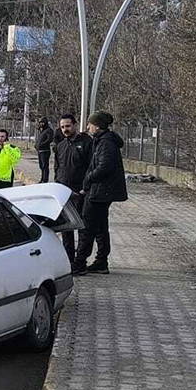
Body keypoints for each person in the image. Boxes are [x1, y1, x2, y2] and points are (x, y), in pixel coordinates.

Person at [73, 111, 126, 275]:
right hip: (103, 191)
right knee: (101, 226)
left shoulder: (105, 143)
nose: (88, 127)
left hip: (100, 191)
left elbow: (104, 167)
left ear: (97, 125)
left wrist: (88, 178)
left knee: (87, 226)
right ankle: (101, 261)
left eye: (90, 124)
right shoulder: (103, 141)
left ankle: (79, 262)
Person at [53, 113, 93, 262]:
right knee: (66, 228)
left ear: (75, 125)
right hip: (64, 193)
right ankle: (68, 259)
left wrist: (85, 189)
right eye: (62, 127)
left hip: (81, 193)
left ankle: (81, 260)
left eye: (68, 126)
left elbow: (91, 167)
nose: (65, 129)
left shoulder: (86, 142)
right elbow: (57, 168)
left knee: (83, 228)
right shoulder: (61, 146)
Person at [34, 118, 54, 183]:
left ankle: (45, 180)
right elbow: (39, 139)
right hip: (40, 151)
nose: (40, 124)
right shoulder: (42, 131)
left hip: (45, 151)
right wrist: (36, 145)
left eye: (42, 122)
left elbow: (49, 140)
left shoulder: (49, 130)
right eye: (40, 123)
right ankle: (42, 178)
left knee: (45, 166)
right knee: (41, 166)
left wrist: (41, 145)